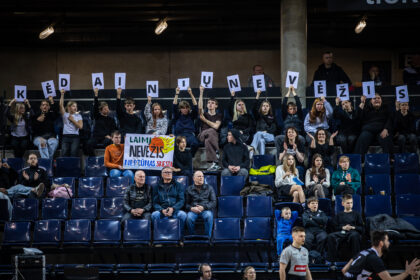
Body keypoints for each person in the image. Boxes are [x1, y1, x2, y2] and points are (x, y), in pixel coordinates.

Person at [342, 231, 420, 280]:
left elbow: (344, 270)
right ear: (381, 243)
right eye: (387, 240)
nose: (389, 243)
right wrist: (407, 272)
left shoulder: (363, 252)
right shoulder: (374, 259)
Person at [326, 194, 364, 262]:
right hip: (342, 232)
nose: (350, 204)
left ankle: (355, 260)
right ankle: (332, 261)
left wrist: (353, 227)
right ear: (343, 203)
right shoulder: (339, 215)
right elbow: (334, 227)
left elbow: (361, 228)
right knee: (330, 236)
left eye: (351, 203)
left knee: (354, 236)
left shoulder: (356, 214)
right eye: (348, 203)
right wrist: (343, 227)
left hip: (352, 232)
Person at [151, 166, 187, 232]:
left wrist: (173, 208)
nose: (168, 173)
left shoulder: (178, 185)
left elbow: (181, 200)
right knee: (154, 215)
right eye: (166, 172)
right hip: (162, 211)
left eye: (170, 172)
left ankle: (179, 236)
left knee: (182, 215)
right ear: (162, 174)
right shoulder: (157, 187)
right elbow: (155, 203)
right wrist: (162, 210)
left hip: (175, 210)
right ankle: (158, 235)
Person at [85, 88, 117, 156]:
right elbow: (95, 108)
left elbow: (114, 129)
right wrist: (96, 95)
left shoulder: (111, 119)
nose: (107, 110)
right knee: (88, 144)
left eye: (107, 108)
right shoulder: (97, 116)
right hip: (97, 137)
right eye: (105, 109)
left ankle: (107, 159)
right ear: (101, 110)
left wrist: (112, 136)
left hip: (106, 138)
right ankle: (93, 159)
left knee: (110, 142)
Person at [198, 86, 223, 171]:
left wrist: (205, 120)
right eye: (208, 102)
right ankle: (217, 153)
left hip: (212, 137)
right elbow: (200, 107)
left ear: (216, 105)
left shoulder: (218, 115)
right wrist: (201, 93)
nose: (210, 104)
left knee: (209, 139)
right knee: (211, 131)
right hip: (202, 135)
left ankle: (214, 163)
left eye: (212, 103)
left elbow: (216, 126)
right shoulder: (204, 113)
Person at [185, 171, 216, 237]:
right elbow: (186, 203)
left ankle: (207, 237)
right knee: (189, 218)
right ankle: (192, 236)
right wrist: (191, 208)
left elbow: (213, 202)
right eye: (199, 176)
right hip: (193, 210)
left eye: (202, 176)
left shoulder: (209, 188)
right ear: (194, 178)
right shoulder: (189, 189)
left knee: (209, 216)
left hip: (205, 209)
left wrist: (203, 207)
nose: (201, 178)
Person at [173, 87, 200, 156]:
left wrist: (191, 93)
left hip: (189, 135)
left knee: (195, 143)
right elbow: (174, 105)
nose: (185, 109)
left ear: (188, 108)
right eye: (183, 108)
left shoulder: (191, 115)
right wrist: (177, 93)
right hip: (179, 135)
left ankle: (189, 157)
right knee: (171, 144)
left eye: (186, 108)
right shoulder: (177, 115)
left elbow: (195, 105)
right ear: (180, 109)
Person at [250, 89, 277, 155]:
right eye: (263, 106)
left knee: (259, 133)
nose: (265, 107)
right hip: (260, 137)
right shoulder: (258, 116)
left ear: (269, 108)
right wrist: (258, 95)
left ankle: (252, 149)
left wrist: (266, 131)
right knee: (261, 141)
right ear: (261, 107)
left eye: (267, 106)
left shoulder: (272, 117)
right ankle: (261, 158)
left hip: (270, 136)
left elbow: (274, 128)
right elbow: (253, 108)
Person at [59, 89, 83, 157]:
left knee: (74, 153)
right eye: (73, 106)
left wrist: (73, 120)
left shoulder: (78, 116)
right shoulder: (65, 115)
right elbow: (61, 105)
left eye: (76, 106)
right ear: (69, 107)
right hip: (65, 136)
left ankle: (74, 167)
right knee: (64, 153)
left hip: (75, 137)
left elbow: (80, 127)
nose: (75, 108)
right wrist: (62, 94)